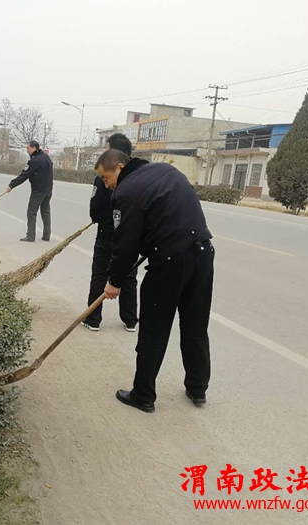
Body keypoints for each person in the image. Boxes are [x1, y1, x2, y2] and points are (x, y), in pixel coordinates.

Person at [96, 148, 214, 414]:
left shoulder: (126, 192)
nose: (105, 185)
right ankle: (198, 388)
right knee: (196, 324)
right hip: (203, 253)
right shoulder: (166, 171)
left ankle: (143, 395)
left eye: (105, 178)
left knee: (153, 330)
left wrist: (114, 281)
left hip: (170, 261)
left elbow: (124, 245)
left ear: (119, 167)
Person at [82, 133, 138, 332]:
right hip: (130, 235)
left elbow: (95, 208)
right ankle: (130, 320)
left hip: (107, 234)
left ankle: (93, 319)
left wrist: (99, 218)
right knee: (129, 276)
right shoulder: (138, 175)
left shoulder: (104, 174)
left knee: (100, 274)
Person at [6, 141, 53, 242]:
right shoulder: (46, 157)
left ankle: (30, 236)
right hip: (48, 189)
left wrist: (12, 185)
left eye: (28, 148)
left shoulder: (34, 161)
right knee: (45, 212)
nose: (27, 150)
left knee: (31, 212)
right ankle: (46, 235)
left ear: (34, 148)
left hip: (38, 190)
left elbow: (25, 175)